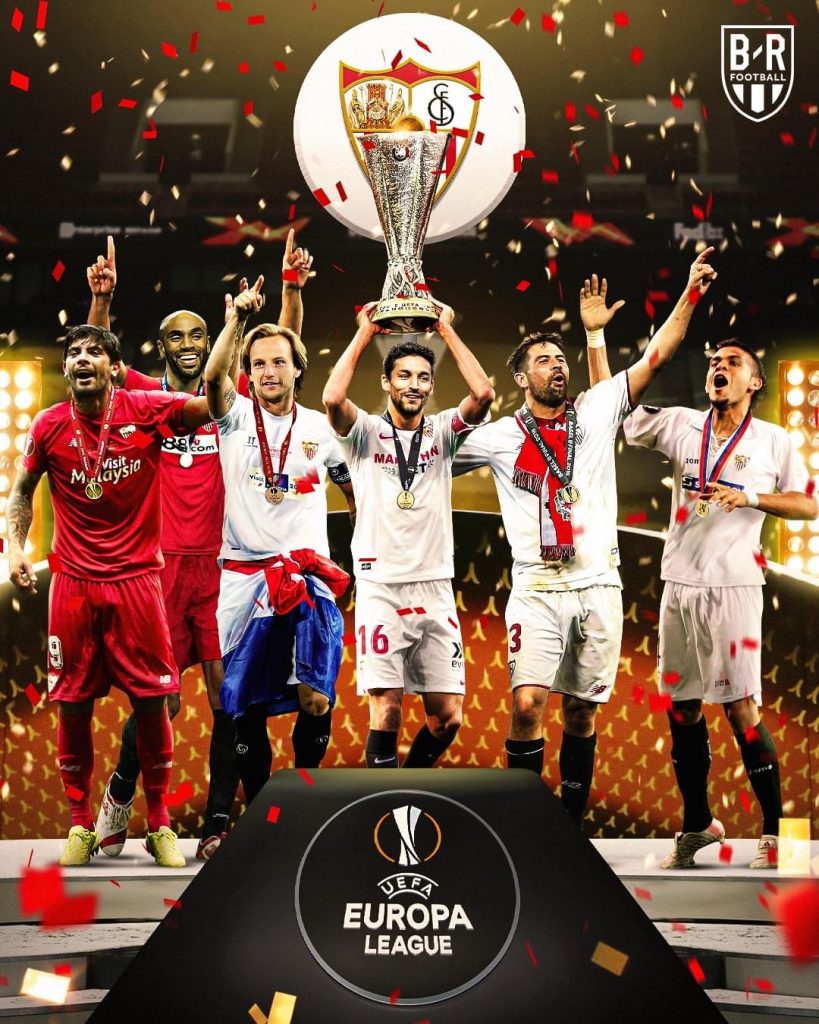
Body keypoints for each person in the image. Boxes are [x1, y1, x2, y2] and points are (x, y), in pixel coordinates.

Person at [452, 250, 717, 828]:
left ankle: (568, 827)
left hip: (599, 586)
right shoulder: (498, 436)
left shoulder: (596, 410)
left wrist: (691, 292)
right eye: (543, 361)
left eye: (560, 358)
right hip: (537, 590)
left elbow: (656, 355)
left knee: (580, 713)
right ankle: (524, 826)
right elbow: (427, 455)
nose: (556, 367)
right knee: (528, 704)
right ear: (520, 378)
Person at [84, 231, 312, 859]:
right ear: (161, 348)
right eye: (177, 337)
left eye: (198, 336)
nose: (189, 346)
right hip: (160, 573)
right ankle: (119, 795)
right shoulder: (142, 395)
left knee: (227, 700)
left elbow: (282, 348)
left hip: (222, 573)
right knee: (162, 704)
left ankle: (221, 825)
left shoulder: (228, 398)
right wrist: (101, 300)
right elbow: (97, 362)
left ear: (212, 341)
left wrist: (290, 289)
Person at [7, 324, 222, 867]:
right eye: (73, 353)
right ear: (66, 368)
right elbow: (21, 492)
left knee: (153, 703)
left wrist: (235, 325)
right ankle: (80, 824)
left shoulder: (145, 409)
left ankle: (160, 824)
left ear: (114, 367)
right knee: (71, 705)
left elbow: (213, 403)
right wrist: (14, 548)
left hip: (137, 583)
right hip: (73, 586)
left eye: (94, 351)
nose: (82, 359)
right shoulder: (48, 424)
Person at [625, 340, 817, 867]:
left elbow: (808, 504)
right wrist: (596, 340)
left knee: (741, 710)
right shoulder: (683, 424)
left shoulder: (774, 439)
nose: (719, 367)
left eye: (733, 363)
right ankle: (698, 825)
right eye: (714, 362)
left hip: (734, 587)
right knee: (682, 708)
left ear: (754, 382)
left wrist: (750, 497)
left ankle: (776, 835)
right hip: (678, 585)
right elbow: (614, 404)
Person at [322, 304, 495, 769]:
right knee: (387, 709)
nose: (414, 385)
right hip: (381, 588)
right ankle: (387, 801)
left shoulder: (442, 433)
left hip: (434, 587)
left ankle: (412, 784)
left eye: (423, 377)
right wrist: (365, 333)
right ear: (386, 382)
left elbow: (482, 393)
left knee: (447, 718)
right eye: (403, 375)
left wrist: (445, 329)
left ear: (431, 386)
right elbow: (333, 398)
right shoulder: (365, 433)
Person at [204, 276, 354, 803]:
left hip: (308, 581)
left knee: (316, 697)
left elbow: (355, 493)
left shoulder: (322, 429)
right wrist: (237, 319)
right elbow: (213, 375)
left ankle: (302, 803)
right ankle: (261, 811)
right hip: (245, 581)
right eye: (259, 364)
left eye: (279, 362)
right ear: (249, 372)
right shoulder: (232, 419)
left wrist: (366, 548)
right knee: (245, 705)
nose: (269, 371)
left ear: (297, 368)